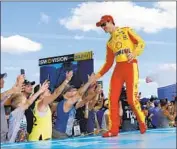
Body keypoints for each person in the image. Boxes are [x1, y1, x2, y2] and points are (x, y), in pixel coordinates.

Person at [95, 15, 146, 137]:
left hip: (130, 66)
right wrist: (97, 75)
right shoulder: (109, 43)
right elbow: (108, 63)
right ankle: (114, 129)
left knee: (131, 100)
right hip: (118, 68)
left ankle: (142, 121)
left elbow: (141, 42)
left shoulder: (126, 30)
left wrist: (134, 53)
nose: (103, 28)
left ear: (110, 21)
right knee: (112, 99)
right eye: (101, 26)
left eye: (103, 24)